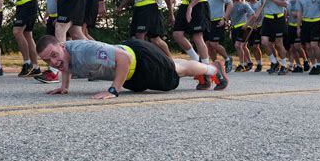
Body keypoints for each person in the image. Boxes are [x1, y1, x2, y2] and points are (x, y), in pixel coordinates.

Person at [36, 35, 229, 99]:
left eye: (54, 55)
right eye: (47, 61)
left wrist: (114, 90)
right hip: (131, 73)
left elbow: (124, 58)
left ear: (62, 46)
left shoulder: (86, 51)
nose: (53, 63)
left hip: (139, 60)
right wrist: (64, 86)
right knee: (174, 66)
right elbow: (65, 66)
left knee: (175, 72)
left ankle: (212, 70)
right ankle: (205, 71)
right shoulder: (64, 55)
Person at [256, 0, 288, 74]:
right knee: (264, 42)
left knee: (279, 44)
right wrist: (257, 17)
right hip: (267, 19)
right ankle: (274, 62)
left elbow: (284, 4)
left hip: (278, 18)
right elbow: (261, 5)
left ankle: (284, 65)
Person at [35, 0, 60, 83]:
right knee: (51, 43)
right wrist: (46, 16)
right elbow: (50, 4)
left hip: (59, 18)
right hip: (51, 17)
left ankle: (55, 71)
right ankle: (54, 69)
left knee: (61, 43)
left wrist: (59, 17)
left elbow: (62, 3)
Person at [204, 0, 233, 72]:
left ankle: (228, 59)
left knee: (214, 43)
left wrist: (224, 18)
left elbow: (230, 3)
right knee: (208, 44)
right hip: (206, 21)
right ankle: (216, 64)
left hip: (218, 21)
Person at [229, 0, 256, 72]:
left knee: (239, 45)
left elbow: (253, 15)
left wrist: (247, 24)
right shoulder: (231, 5)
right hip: (234, 28)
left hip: (242, 27)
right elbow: (228, 15)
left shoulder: (244, 5)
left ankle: (242, 64)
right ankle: (245, 63)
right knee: (238, 46)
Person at [286, 0, 308, 73]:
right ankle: (298, 65)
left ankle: (305, 61)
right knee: (292, 48)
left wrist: (299, 15)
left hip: (300, 25)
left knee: (298, 46)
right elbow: (286, 13)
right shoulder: (287, 2)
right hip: (290, 26)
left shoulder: (301, 0)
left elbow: (306, 12)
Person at [247, 0, 265, 72]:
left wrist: (257, 23)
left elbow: (261, 14)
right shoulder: (246, 4)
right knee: (253, 47)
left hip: (259, 26)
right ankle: (258, 63)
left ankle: (260, 64)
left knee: (256, 46)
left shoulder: (259, 4)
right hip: (250, 27)